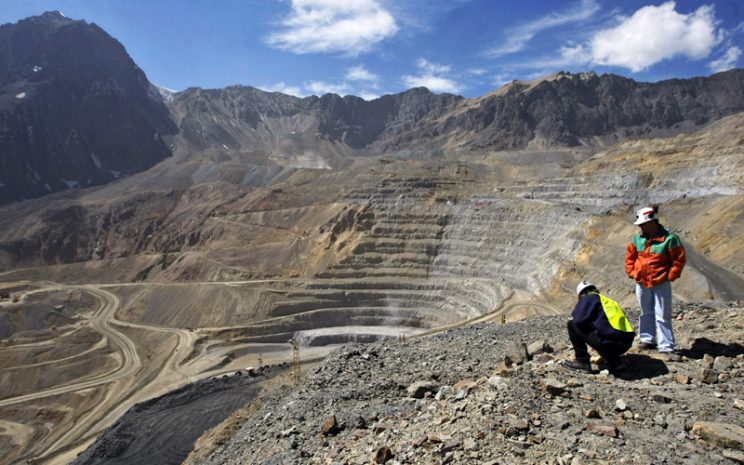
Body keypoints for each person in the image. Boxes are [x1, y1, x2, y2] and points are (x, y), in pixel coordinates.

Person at [625, 206, 686, 358]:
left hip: (660, 282)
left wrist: (670, 276)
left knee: (662, 314)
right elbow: (630, 258)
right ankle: (647, 339)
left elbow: (678, 260)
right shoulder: (637, 239)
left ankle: (666, 346)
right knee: (646, 312)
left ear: (652, 222)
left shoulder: (670, 240)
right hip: (642, 282)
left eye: (643, 224)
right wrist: (633, 273)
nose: (640, 227)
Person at [563, 280, 635, 373]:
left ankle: (582, 361)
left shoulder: (588, 298)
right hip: (626, 343)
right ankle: (615, 362)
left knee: (572, 324)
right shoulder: (606, 301)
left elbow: (578, 319)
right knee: (603, 329)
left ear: (581, 294)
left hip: (610, 344)